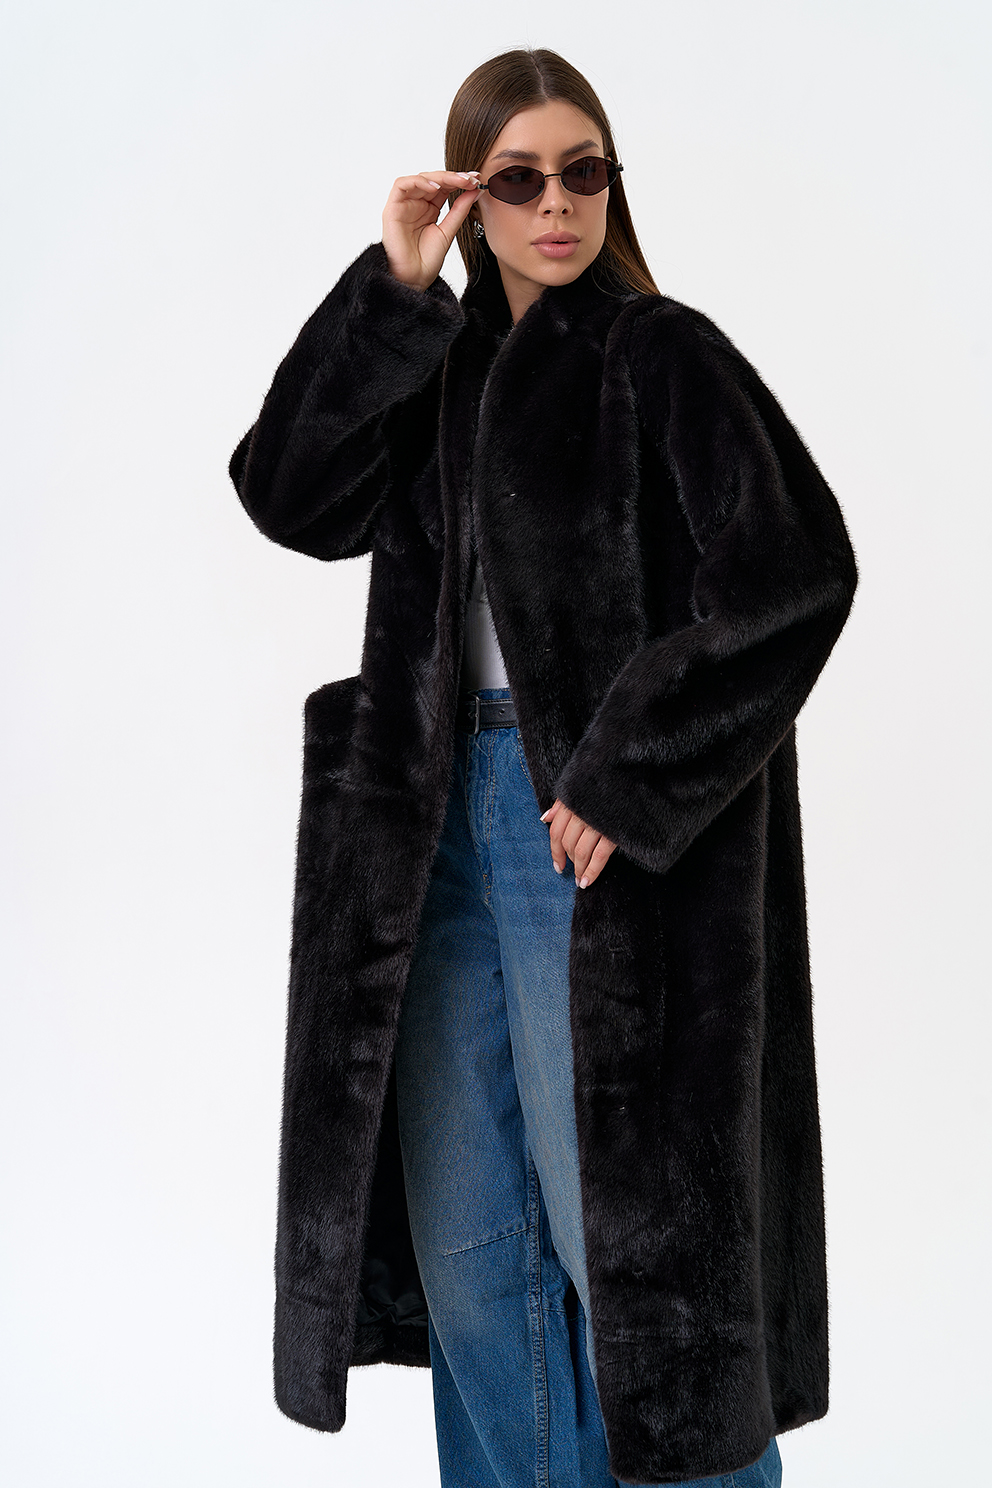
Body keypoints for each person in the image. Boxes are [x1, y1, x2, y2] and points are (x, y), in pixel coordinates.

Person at [228, 46, 858, 1488]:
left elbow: (796, 575)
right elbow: (287, 494)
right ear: (472, 195)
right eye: (519, 178)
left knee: (638, 1263)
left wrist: (631, 776)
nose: (557, 203)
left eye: (585, 172)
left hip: (581, 836)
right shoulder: (437, 368)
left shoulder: (661, 354)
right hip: (428, 831)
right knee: (474, 1252)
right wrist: (393, 293)